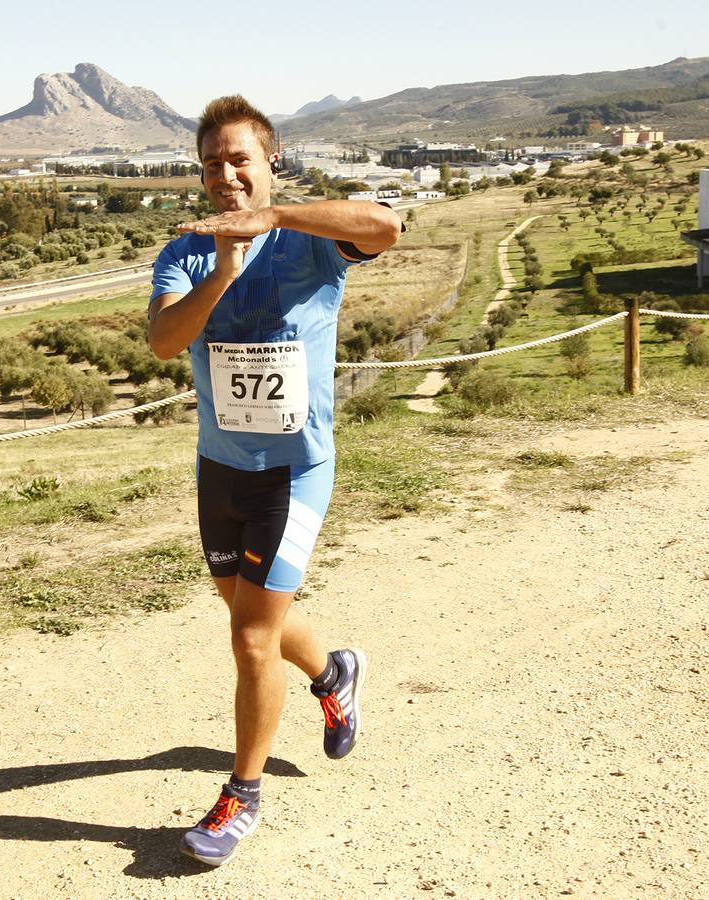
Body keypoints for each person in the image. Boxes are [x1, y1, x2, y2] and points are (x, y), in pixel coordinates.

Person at [147, 95, 402, 867]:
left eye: (239, 159)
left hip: (295, 474)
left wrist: (276, 220)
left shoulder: (313, 244)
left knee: (251, 635)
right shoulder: (186, 252)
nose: (225, 175)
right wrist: (221, 271)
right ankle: (333, 673)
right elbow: (163, 342)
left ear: (270, 161)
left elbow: (387, 225)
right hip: (219, 472)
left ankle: (241, 796)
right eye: (211, 164)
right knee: (250, 613)